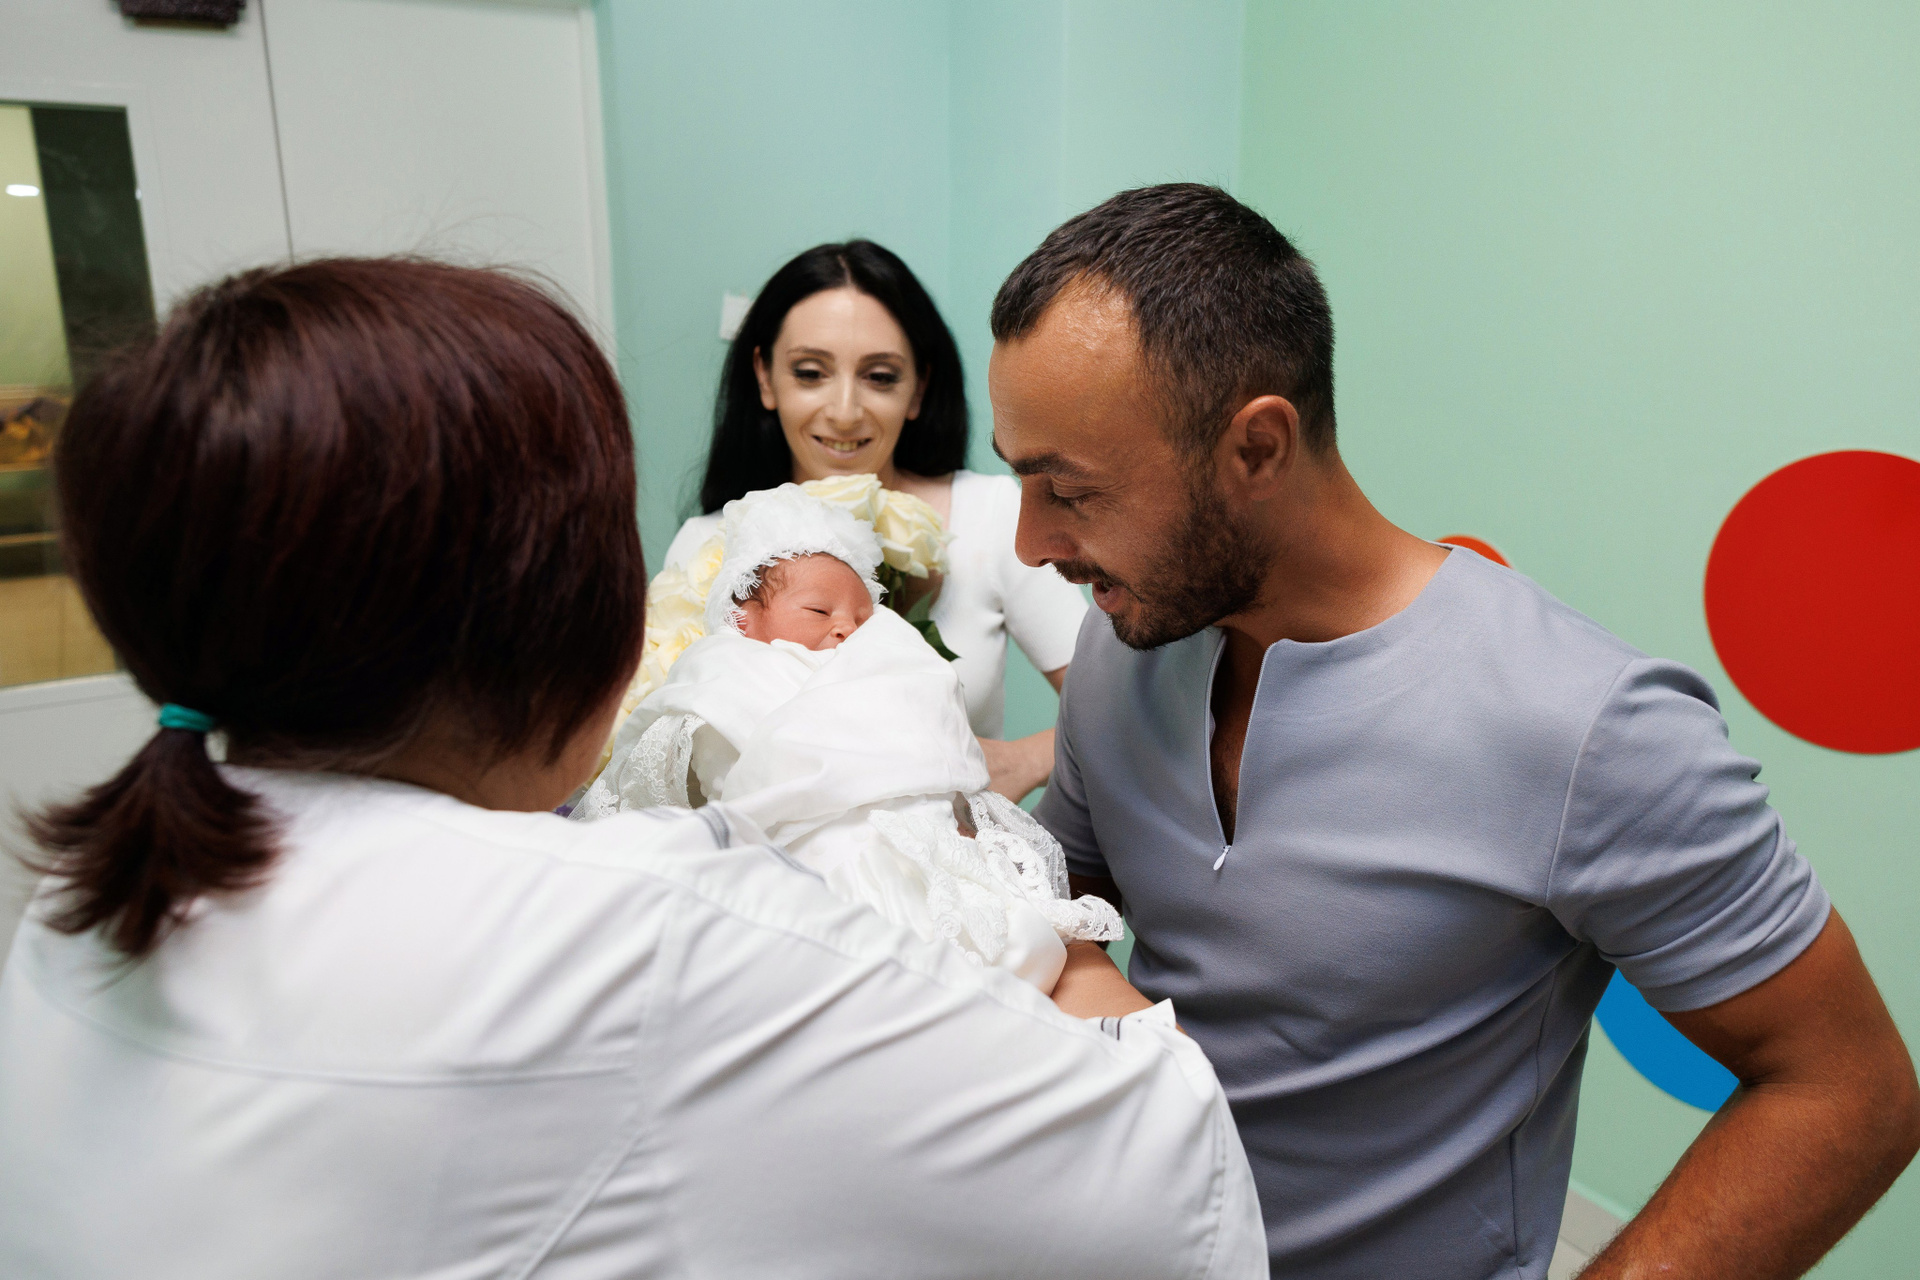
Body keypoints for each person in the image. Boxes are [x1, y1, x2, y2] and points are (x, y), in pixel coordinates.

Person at [0, 257, 1266, 1278]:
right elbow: (1166, 1164)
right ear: (573, 610)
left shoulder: (78, 898)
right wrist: (1016, 901)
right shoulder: (644, 928)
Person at [988, 184, 1920, 1279]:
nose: (1031, 543)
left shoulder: (1586, 727)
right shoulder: (1123, 646)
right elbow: (1050, 917)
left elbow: (1849, 1090)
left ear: (1257, 448)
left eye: (1071, 492)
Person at [575, 484, 1120, 993]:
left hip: (911, 834)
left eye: (863, 617)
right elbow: (660, 770)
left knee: (1004, 936)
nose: (846, 628)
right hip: (796, 857)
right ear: (742, 619)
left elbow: (931, 727)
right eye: (818, 611)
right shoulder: (726, 665)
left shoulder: (882, 665)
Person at [669, 239, 1086, 801]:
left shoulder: (990, 515)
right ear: (765, 378)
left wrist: (1024, 760)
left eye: (881, 377)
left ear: (918, 389)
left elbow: (1122, 707)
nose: (845, 412)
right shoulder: (705, 546)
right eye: (810, 372)